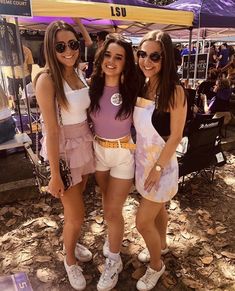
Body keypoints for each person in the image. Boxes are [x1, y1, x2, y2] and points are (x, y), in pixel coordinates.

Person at [34, 20, 95, 291]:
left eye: (73, 44)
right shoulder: (47, 80)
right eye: (60, 46)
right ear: (50, 48)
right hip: (64, 149)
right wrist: (55, 174)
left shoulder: (78, 72)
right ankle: (69, 259)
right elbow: (52, 130)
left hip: (85, 142)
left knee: (76, 207)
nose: (68, 50)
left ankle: (72, 241)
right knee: (77, 214)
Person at [134, 30, 187, 291]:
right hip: (142, 162)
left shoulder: (174, 91)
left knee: (142, 222)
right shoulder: (143, 84)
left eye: (154, 56)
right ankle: (162, 246)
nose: (146, 61)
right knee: (159, 211)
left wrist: (157, 168)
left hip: (161, 167)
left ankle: (156, 266)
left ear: (166, 59)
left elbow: (176, 136)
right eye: (142, 54)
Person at [89, 33, 139, 291]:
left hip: (122, 154)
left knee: (112, 211)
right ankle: (114, 240)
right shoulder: (92, 85)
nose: (111, 61)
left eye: (118, 57)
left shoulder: (133, 89)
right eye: (108, 55)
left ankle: (114, 260)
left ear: (125, 62)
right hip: (98, 153)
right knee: (106, 204)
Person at [4, 43, 34, 109]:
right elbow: (30, 64)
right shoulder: (26, 50)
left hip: (24, 75)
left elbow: (29, 64)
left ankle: (26, 107)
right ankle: (16, 107)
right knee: (14, 92)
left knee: (26, 92)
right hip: (12, 75)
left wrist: (29, 74)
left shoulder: (26, 50)